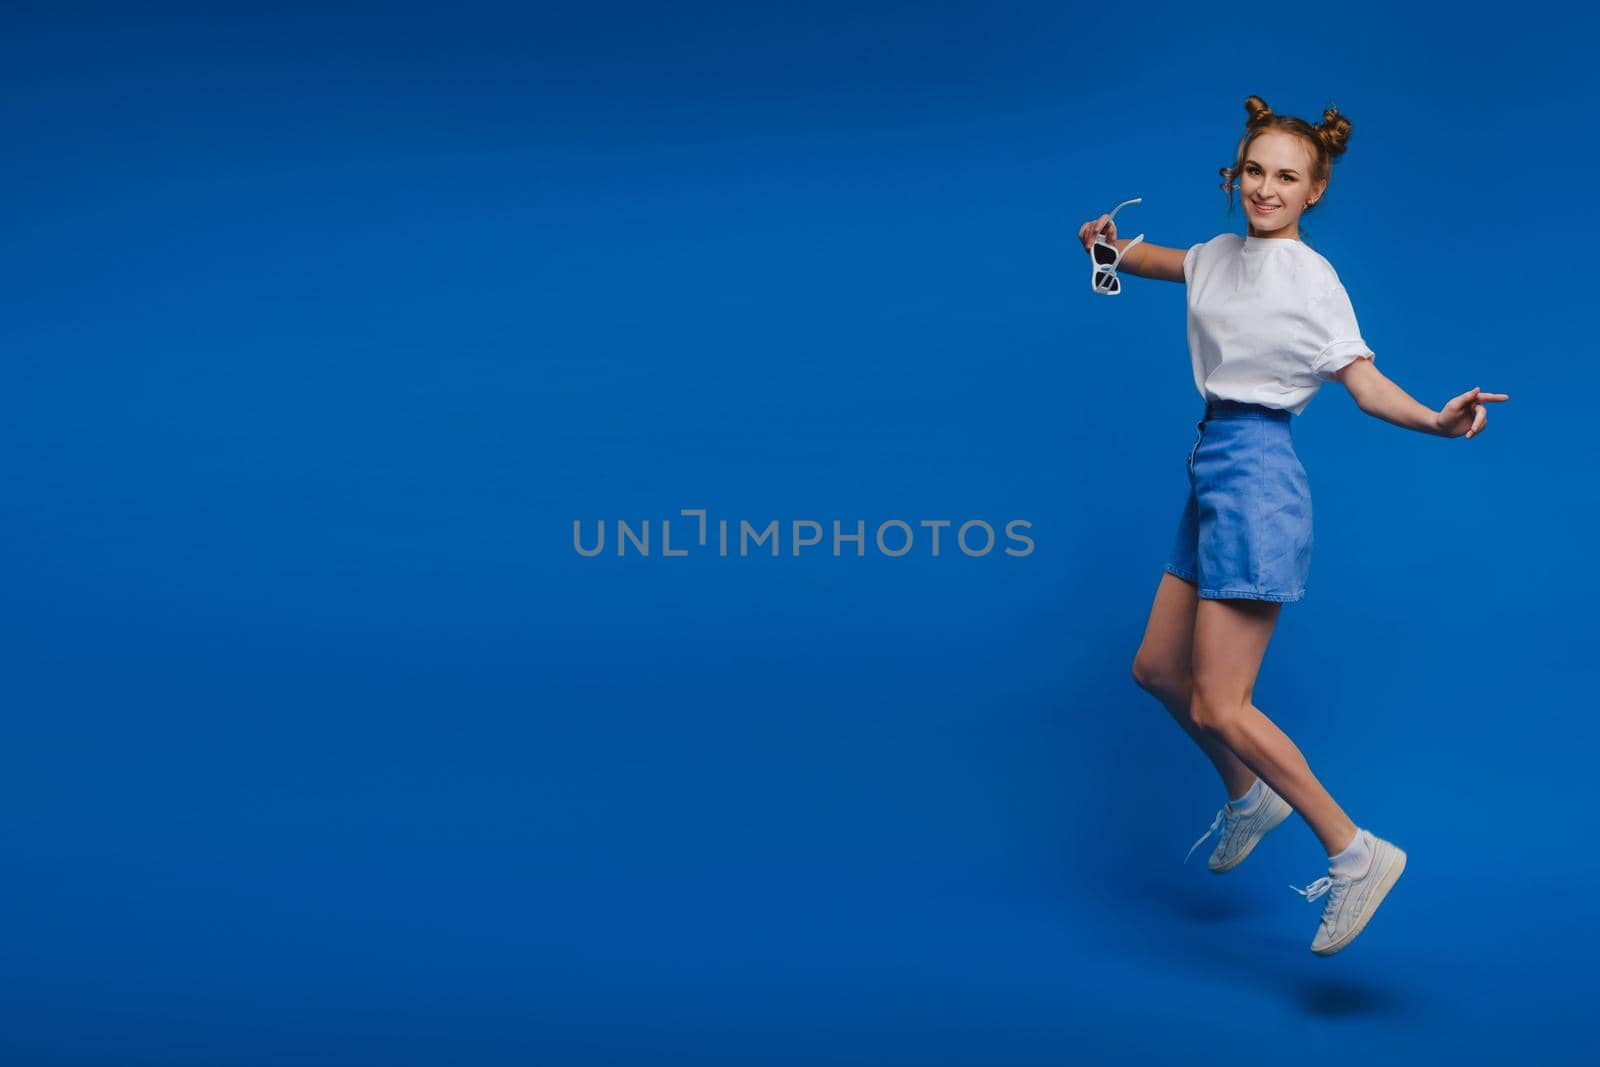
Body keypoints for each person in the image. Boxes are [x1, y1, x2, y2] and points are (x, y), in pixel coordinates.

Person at [1077, 95, 1508, 956]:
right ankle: (1250, 796)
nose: (1265, 188)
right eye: (1254, 171)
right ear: (1234, 175)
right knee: (1157, 667)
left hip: (1259, 477)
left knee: (1221, 702)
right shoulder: (1213, 256)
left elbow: (1361, 379)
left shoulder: (1312, 280)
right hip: (1212, 469)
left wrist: (1435, 417)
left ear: (1314, 191)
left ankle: (1355, 852)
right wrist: (1102, 244)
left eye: (1287, 177)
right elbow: (1136, 256)